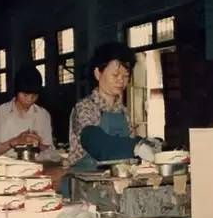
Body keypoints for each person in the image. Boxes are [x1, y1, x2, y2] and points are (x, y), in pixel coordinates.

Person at [65, 42, 162, 185]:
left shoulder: (123, 111)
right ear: (98, 73)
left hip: (116, 180)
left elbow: (129, 142)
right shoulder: (85, 107)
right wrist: (134, 147)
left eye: (126, 76)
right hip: (85, 184)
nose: (121, 80)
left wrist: (148, 143)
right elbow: (97, 143)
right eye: (115, 75)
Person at [0, 64, 54, 156]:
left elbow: (50, 151)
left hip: (34, 163)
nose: (29, 100)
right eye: (25, 95)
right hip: (5, 164)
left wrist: (39, 145)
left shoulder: (43, 115)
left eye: (34, 96)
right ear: (17, 91)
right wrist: (16, 141)